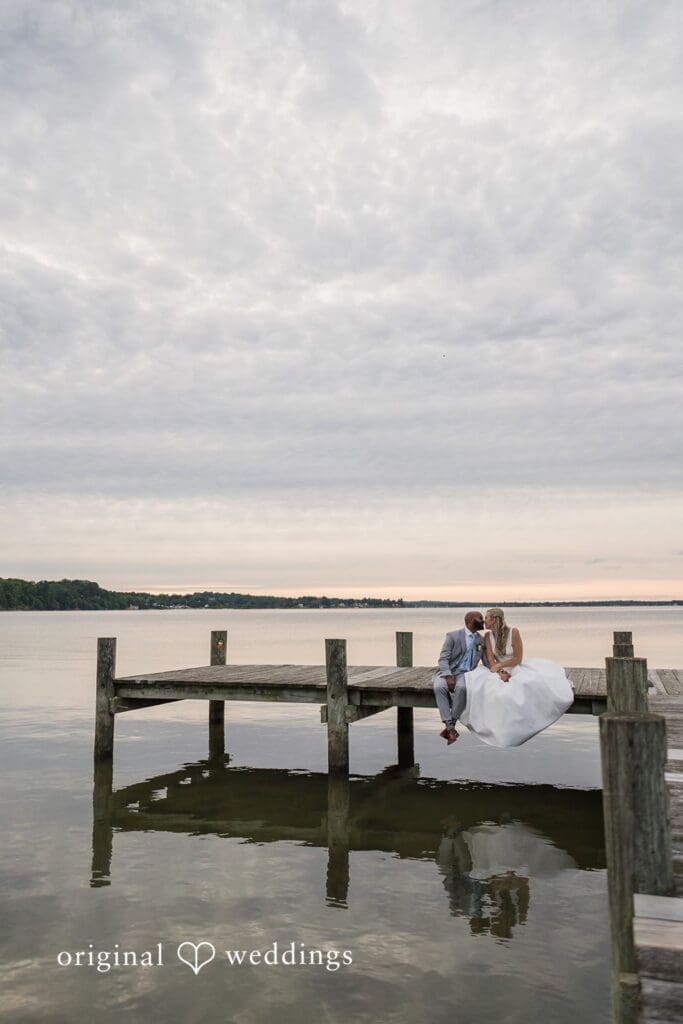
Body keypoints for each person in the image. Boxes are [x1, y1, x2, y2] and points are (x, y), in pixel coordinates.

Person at [458, 607, 574, 747]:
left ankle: (523, 724)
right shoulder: (488, 636)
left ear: (494, 620)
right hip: (497, 669)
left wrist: (504, 668)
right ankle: (495, 727)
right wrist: (499, 672)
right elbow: (490, 659)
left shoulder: (514, 632)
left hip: (514, 666)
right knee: (485, 687)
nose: (484, 621)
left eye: (487, 618)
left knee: (528, 684)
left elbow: (518, 658)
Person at [432, 611, 487, 745]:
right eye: (479, 619)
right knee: (439, 687)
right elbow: (443, 659)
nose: (482, 621)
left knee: (462, 688)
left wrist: (501, 670)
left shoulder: (481, 639)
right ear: (469, 622)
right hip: (448, 671)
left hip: (466, 674)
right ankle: (451, 729)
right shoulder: (453, 636)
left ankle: (450, 727)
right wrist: (448, 675)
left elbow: (486, 661)